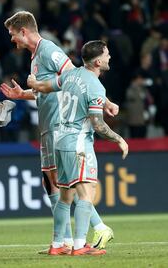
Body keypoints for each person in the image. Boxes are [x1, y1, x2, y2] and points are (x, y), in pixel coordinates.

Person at [0, 11, 116, 251]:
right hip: (47, 125)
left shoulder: (49, 50)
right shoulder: (35, 57)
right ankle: (62, 241)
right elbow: (49, 88)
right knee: (53, 182)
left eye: (13, 35)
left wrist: (105, 102)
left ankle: (95, 229)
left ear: (24, 31)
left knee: (63, 183)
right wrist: (23, 94)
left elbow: (76, 78)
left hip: (60, 125)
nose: (12, 40)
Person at [28, 40, 129, 255]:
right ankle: (80, 245)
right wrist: (118, 139)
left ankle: (57, 245)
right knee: (86, 193)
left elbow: (47, 86)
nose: (110, 57)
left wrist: (34, 84)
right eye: (107, 54)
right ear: (98, 61)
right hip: (79, 144)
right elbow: (97, 124)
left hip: (60, 140)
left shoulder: (70, 75)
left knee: (65, 196)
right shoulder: (95, 85)